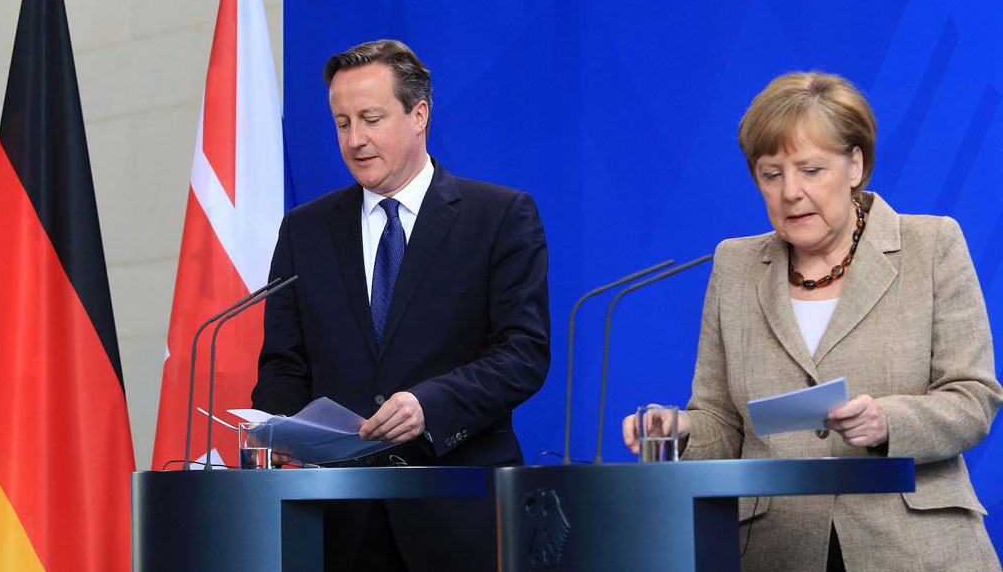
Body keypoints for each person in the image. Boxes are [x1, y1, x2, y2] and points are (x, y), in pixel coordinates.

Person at [622, 71, 1002, 571]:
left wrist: (888, 422)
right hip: (776, 550)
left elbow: (972, 397)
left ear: (854, 165)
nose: (791, 192)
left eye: (811, 169)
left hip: (914, 547)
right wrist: (681, 429)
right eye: (771, 174)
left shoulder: (931, 245)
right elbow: (722, 421)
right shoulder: (735, 265)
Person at [253, 39, 551, 571]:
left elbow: (522, 354)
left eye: (371, 119)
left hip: (459, 511)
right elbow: (282, 365)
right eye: (342, 123)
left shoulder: (499, 216)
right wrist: (291, 429)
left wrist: (427, 405)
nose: (355, 140)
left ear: (419, 115)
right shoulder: (304, 230)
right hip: (336, 522)